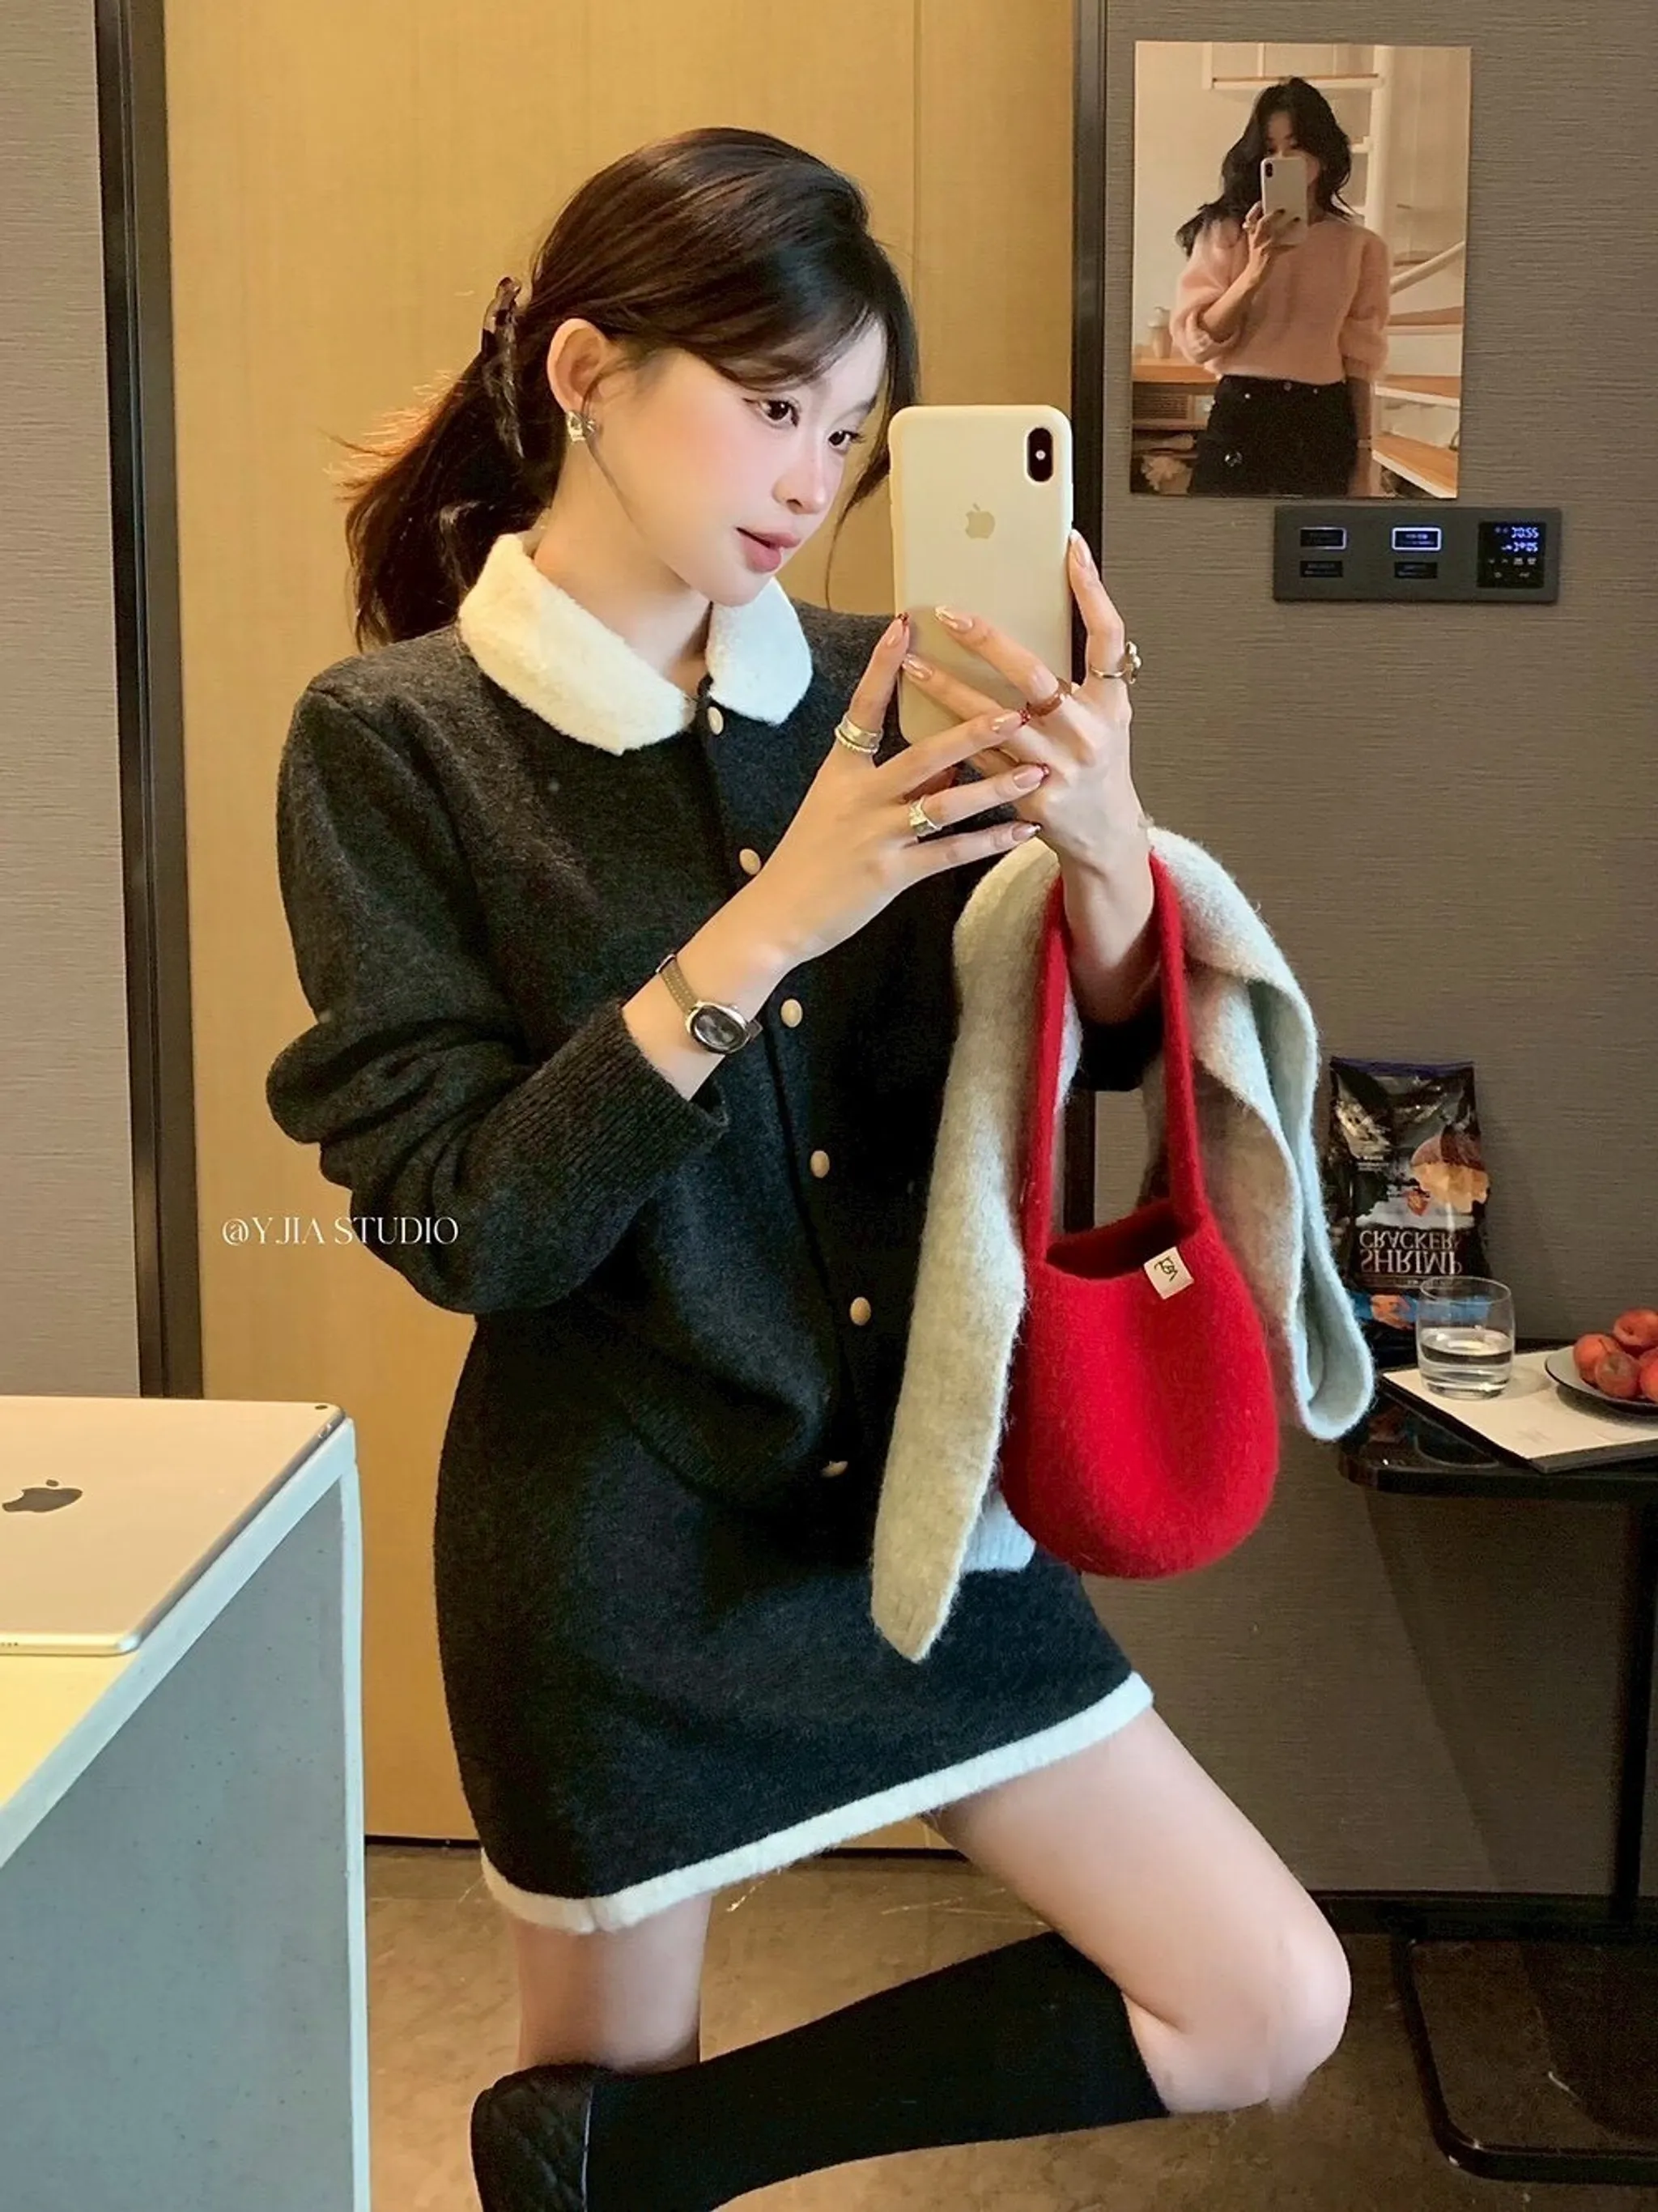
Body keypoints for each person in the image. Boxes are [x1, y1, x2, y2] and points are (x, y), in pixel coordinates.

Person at [266, 125, 1353, 2212]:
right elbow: (465, 1221)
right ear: (586, 372)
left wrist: (1105, 854)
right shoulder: (393, 741)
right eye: (772, 407)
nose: (806, 478)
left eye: (846, 434)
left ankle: (645, 2160)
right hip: (615, 1552)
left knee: (1261, 1996)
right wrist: (770, 917)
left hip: (917, 1517)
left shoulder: (891, 686)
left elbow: (1091, 1054)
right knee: (598, 2090)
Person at [1171, 78, 1392, 497]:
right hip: (1243, 412)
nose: (1282, 159)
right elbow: (1198, 342)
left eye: (1295, 146)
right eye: (1270, 150)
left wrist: (1365, 460)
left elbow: (1360, 362)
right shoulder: (1226, 233)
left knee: (1312, 538)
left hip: (1322, 417)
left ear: (1323, 153)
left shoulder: (1361, 247)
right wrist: (1256, 270)